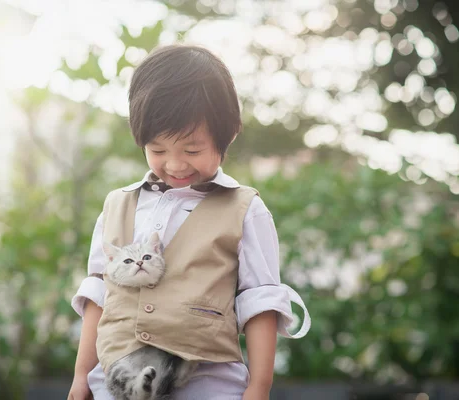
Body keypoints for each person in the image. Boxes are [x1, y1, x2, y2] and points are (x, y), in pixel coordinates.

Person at [67, 44, 310, 400]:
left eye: (192, 150)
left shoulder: (245, 209)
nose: (176, 164)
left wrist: (259, 388)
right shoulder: (117, 205)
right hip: (114, 385)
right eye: (158, 150)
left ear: (227, 134)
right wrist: (80, 377)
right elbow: (99, 296)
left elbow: (260, 302)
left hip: (207, 386)